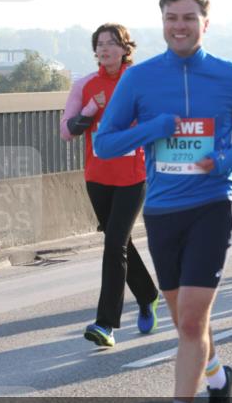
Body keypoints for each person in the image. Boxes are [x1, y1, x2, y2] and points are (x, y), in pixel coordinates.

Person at [94, 0, 232, 403]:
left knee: (191, 320)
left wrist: (226, 159)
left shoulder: (231, 75)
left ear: (205, 24)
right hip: (163, 212)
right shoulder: (139, 79)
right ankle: (219, 378)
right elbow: (105, 144)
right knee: (187, 324)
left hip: (213, 204)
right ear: (162, 22)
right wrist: (154, 129)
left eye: (189, 18)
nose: (180, 26)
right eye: (171, 18)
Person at [61, 23, 159, 348]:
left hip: (133, 176)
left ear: (125, 48)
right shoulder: (85, 85)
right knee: (120, 243)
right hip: (98, 177)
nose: (105, 49)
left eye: (112, 43)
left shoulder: (141, 81)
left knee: (115, 243)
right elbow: (67, 130)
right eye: (100, 44)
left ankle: (106, 324)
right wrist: (92, 108)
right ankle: (147, 295)